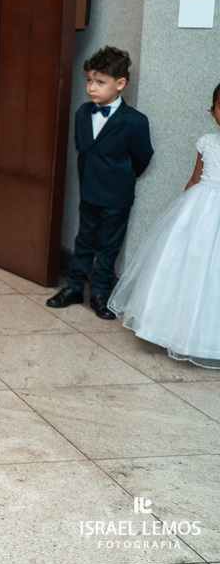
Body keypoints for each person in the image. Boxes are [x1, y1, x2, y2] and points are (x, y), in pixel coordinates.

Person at [108, 82, 220, 368]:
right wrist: (183, 214)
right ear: (212, 111)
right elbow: (196, 179)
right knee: (191, 268)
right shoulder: (207, 142)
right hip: (201, 211)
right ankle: (177, 332)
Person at [47, 46, 154, 319]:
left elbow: (141, 158)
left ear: (120, 84)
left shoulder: (135, 122)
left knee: (108, 247)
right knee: (84, 241)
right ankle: (73, 288)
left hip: (117, 198)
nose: (92, 88)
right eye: (90, 81)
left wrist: (120, 179)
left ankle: (99, 293)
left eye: (100, 82)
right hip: (89, 193)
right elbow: (82, 149)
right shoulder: (83, 114)